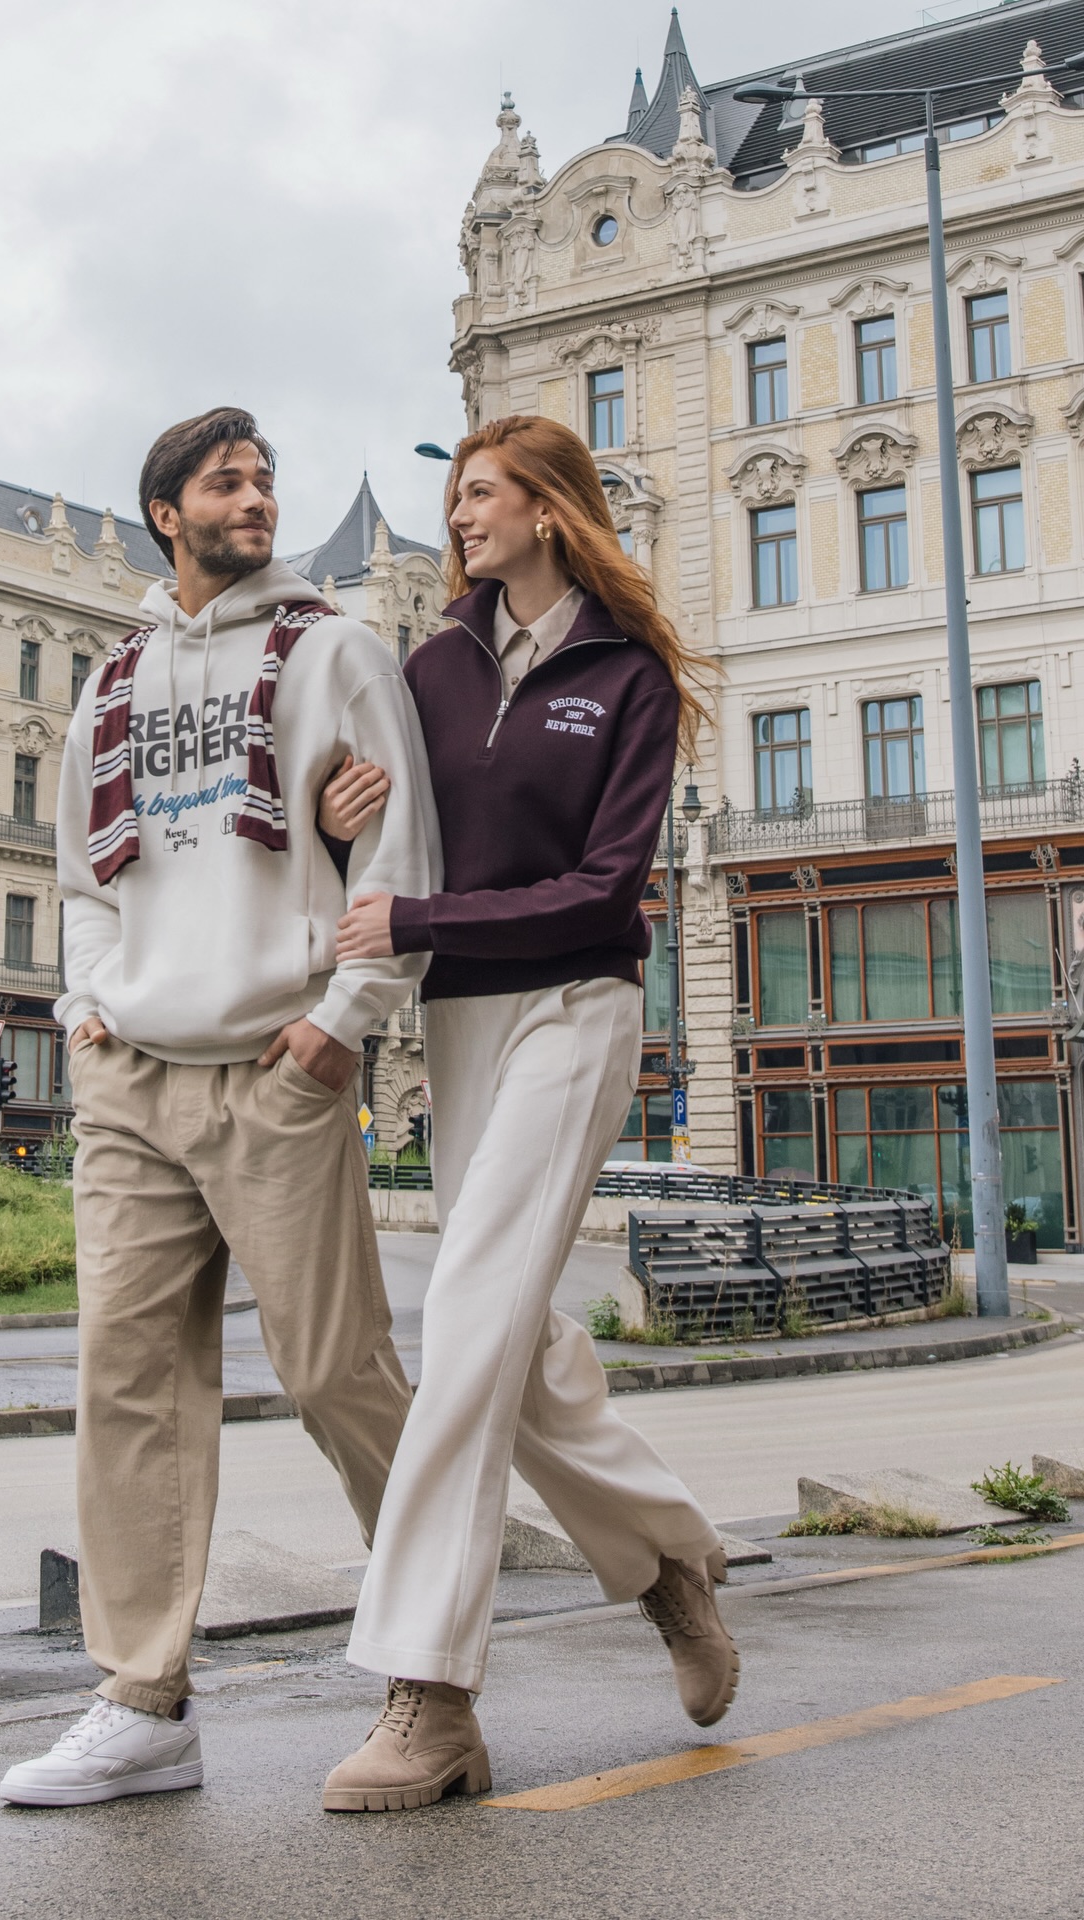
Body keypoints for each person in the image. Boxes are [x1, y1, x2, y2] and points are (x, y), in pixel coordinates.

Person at [0, 408, 440, 1807]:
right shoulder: (113, 676)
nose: (256, 496)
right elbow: (80, 875)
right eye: (225, 481)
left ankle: (434, 1665)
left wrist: (338, 1029)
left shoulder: (333, 650)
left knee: (336, 1374)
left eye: (262, 477)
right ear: (167, 513)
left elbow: (399, 855)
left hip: (275, 1062)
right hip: (131, 1073)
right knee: (124, 1384)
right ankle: (141, 1695)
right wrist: (83, 1016)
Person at [317, 414, 735, 1815]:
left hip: (574, 1007)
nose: (461, 521)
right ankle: (671, 1558)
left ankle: (429, 1692)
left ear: (552, 510)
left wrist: (418, 911)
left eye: (483, 495)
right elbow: (385, 846)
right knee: (530, 1348)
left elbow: (608, 890)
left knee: (471, 1324)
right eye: (454, 501)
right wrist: (338, 819)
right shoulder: (428, 667)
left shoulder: (627, 681)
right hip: (462, 1016)